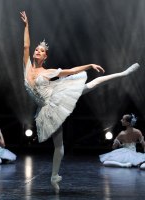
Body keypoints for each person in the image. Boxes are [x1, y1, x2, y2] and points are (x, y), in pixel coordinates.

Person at [20, 11, 141, 193]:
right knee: (59, 146)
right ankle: (54, 176)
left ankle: (123, 73)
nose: (37, 51)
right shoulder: (27, 66)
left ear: (45, 57)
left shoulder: (49, 71)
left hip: (56, 99)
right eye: (37, 50)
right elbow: (25, 45)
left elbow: (70, 70)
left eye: (41, 51)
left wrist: (90, 65)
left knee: (91, 84)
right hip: (46, 109)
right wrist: (27, 25)